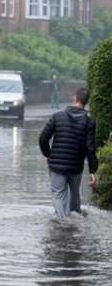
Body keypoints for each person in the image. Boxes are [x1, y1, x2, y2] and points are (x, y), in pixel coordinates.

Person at [39, 87, 98, 218]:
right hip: (76, 167)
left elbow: (43, 138)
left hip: (57, 167)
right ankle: (75, 218)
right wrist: (93, 171)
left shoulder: (57, 116)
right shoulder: (89, 122)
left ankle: (62, 222)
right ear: (86, 102)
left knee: (58, 193)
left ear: (75, 98)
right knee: (75, 193)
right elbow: (90, 148)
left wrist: (48, 154)